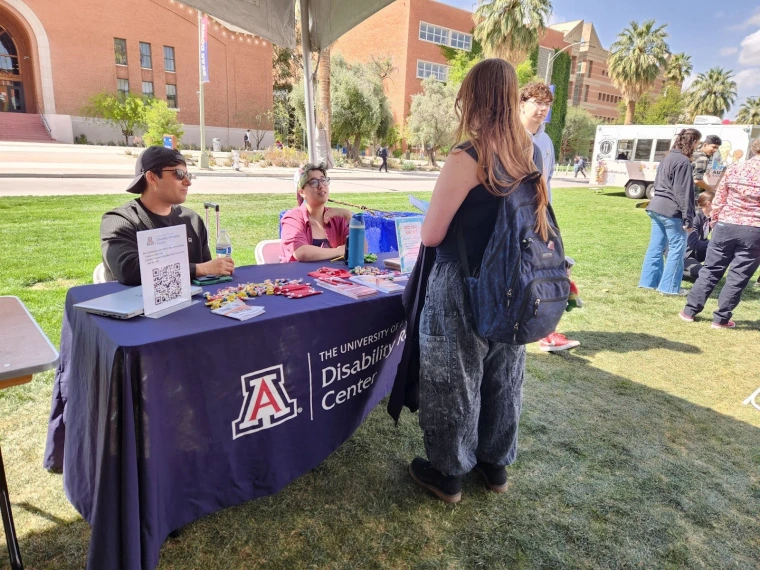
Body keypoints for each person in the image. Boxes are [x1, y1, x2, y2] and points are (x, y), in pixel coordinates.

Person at [408, 58, 552, 503]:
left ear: (471, 97)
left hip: (462, 281)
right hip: (515, 281)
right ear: (511, 99)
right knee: (504, 375)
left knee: (453, 377)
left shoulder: (468, 155)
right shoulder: (529, 153)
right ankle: (495, 466)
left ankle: (448, 474)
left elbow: (432, 234)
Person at [100, 146, 235, 285]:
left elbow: (207, 275)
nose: (188, 182)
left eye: (187, 175)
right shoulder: (120, 221)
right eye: (179, 174)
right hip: (135, 304)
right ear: (152, 178)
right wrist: (198, 269)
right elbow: (128, 271)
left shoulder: (192, 220)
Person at [519, 81, 579, 352]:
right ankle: (532, 326)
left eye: (546, 104)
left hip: (542, 218)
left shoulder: (544, 141)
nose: (542, 109)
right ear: (521, 103)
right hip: (516, 221)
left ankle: (545, 329)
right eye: (537, 103)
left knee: (547, 270)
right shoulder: (509, 136)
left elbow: (547, 179)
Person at [680, 138, 760, 328]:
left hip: (725, 225)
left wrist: (716, 222)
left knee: (711, 269)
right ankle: (721, 318)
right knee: (739, 275)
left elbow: (719, 199)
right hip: (755, 230)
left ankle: (689, 311)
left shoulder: (735, 168)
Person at [638, 128, 701, 296]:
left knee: (656, 247)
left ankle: (648, 282)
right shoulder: (683, 161)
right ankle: (669, 287)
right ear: (693, 143)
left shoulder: (667, 157)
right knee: (676, 249)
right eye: (698, 143)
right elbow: (684, 192)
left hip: (657, 206)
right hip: (671, 210)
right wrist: (688, 218)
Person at [280, 163, 353, 262]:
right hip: (300, 276)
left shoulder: (338, 218)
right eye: (314, 182)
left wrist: (349, 216)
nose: (321, 186)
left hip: (335, 276)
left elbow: (363, 249)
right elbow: (302, 253)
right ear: (302, 192)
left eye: (323, 180)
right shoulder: (292, 218)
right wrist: (340, 251)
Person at [682, 191, 714, 281]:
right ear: (709, 204)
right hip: (685, 254)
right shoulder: (696, 218)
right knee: (706, 276)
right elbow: (693, 243)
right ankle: (679, 270)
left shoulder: (709, 217)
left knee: (712, 273)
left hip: (696, 253)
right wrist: (713, 243)